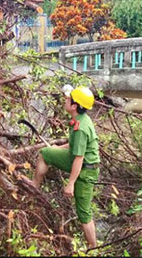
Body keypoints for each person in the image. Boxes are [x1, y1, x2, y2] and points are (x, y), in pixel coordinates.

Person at [30, 85, 100, 248]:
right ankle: (35, 186)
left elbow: (79, 158)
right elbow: (73, 146)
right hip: (82, 164)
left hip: (85, 170)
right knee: (46, 153)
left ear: (75, 106)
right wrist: (56, 149)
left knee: (84, 213)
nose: (65, 100)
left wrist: (71, 183)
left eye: (68, 99)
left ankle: (93, 247)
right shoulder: (80, 120)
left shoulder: (81, 128)